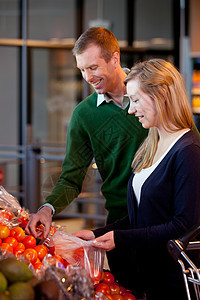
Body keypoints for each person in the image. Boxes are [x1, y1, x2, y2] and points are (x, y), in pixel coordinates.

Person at [25, 27, 148, 286]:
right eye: (82, 69)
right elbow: (71, 178)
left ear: (115, 59)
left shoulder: (152, 93)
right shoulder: (84, 115)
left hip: (164, 216)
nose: (87, 77)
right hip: (120, 223)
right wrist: (47, 210)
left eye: (93, 67)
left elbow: (187, 143)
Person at [72, 58, 200, 300]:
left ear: (161, 96)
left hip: (172, 284)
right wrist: (98, 233)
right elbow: (144, 214)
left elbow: (184, 226)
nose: (130, 110)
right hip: (147, 277)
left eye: (137, 100)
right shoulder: (154, 143)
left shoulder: (189, 151)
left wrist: (120, 238)